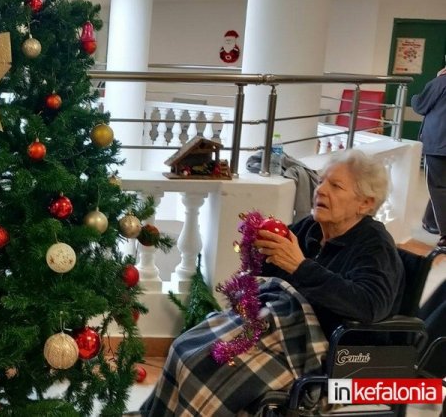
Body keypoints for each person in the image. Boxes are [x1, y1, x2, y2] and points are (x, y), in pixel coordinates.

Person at [144, 149, 403, 416]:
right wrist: (260, 251)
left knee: (207, 370)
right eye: (322, 180)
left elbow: (370, 305)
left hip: (323, 354)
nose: (320, 190)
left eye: (335, 186)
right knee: (186, 348)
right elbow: (274, 278)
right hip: (275, 329)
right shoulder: (311, 228)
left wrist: (300, 267)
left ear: (365, 204)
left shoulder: (375, 246)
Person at [411, 65, 446, 248]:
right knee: (439, 186)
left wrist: (415, 96)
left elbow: (420, 105)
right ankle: (430, 222)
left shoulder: (440, 82)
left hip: (439, 143)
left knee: (438, 187)